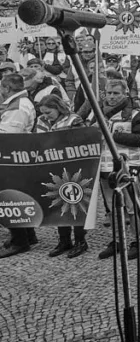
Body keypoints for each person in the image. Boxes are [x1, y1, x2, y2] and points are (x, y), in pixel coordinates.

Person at [84, 78, 140, 261]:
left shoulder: (136, 113)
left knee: (132, 207)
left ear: (125, 94)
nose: (112, 97)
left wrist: (113, 135)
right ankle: (116, 241)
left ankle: (136, 242)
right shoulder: (97, 113)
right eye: (109, 93)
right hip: (104, 167)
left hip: (128, 166)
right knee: (111, 207)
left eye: (116, 93)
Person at [33, 95, 90, 258]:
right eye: (43, 112)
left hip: (74, 168)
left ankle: (80, 240)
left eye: (48, 112)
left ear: (58, 108)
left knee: (77, 204)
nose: (45, 116)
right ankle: (64, 240)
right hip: (53, 167)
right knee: (59, 205)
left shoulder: (73, 120)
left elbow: (84, 141)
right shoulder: (41, 121)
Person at [0, 73, 39, 258]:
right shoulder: (18, 103)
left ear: (7, 88)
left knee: (10, 199)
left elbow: (7, 137)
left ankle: (20, 240)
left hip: (12, 158)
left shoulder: (18, 107)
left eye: (2, 88)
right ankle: (28, 235)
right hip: (16, 157)